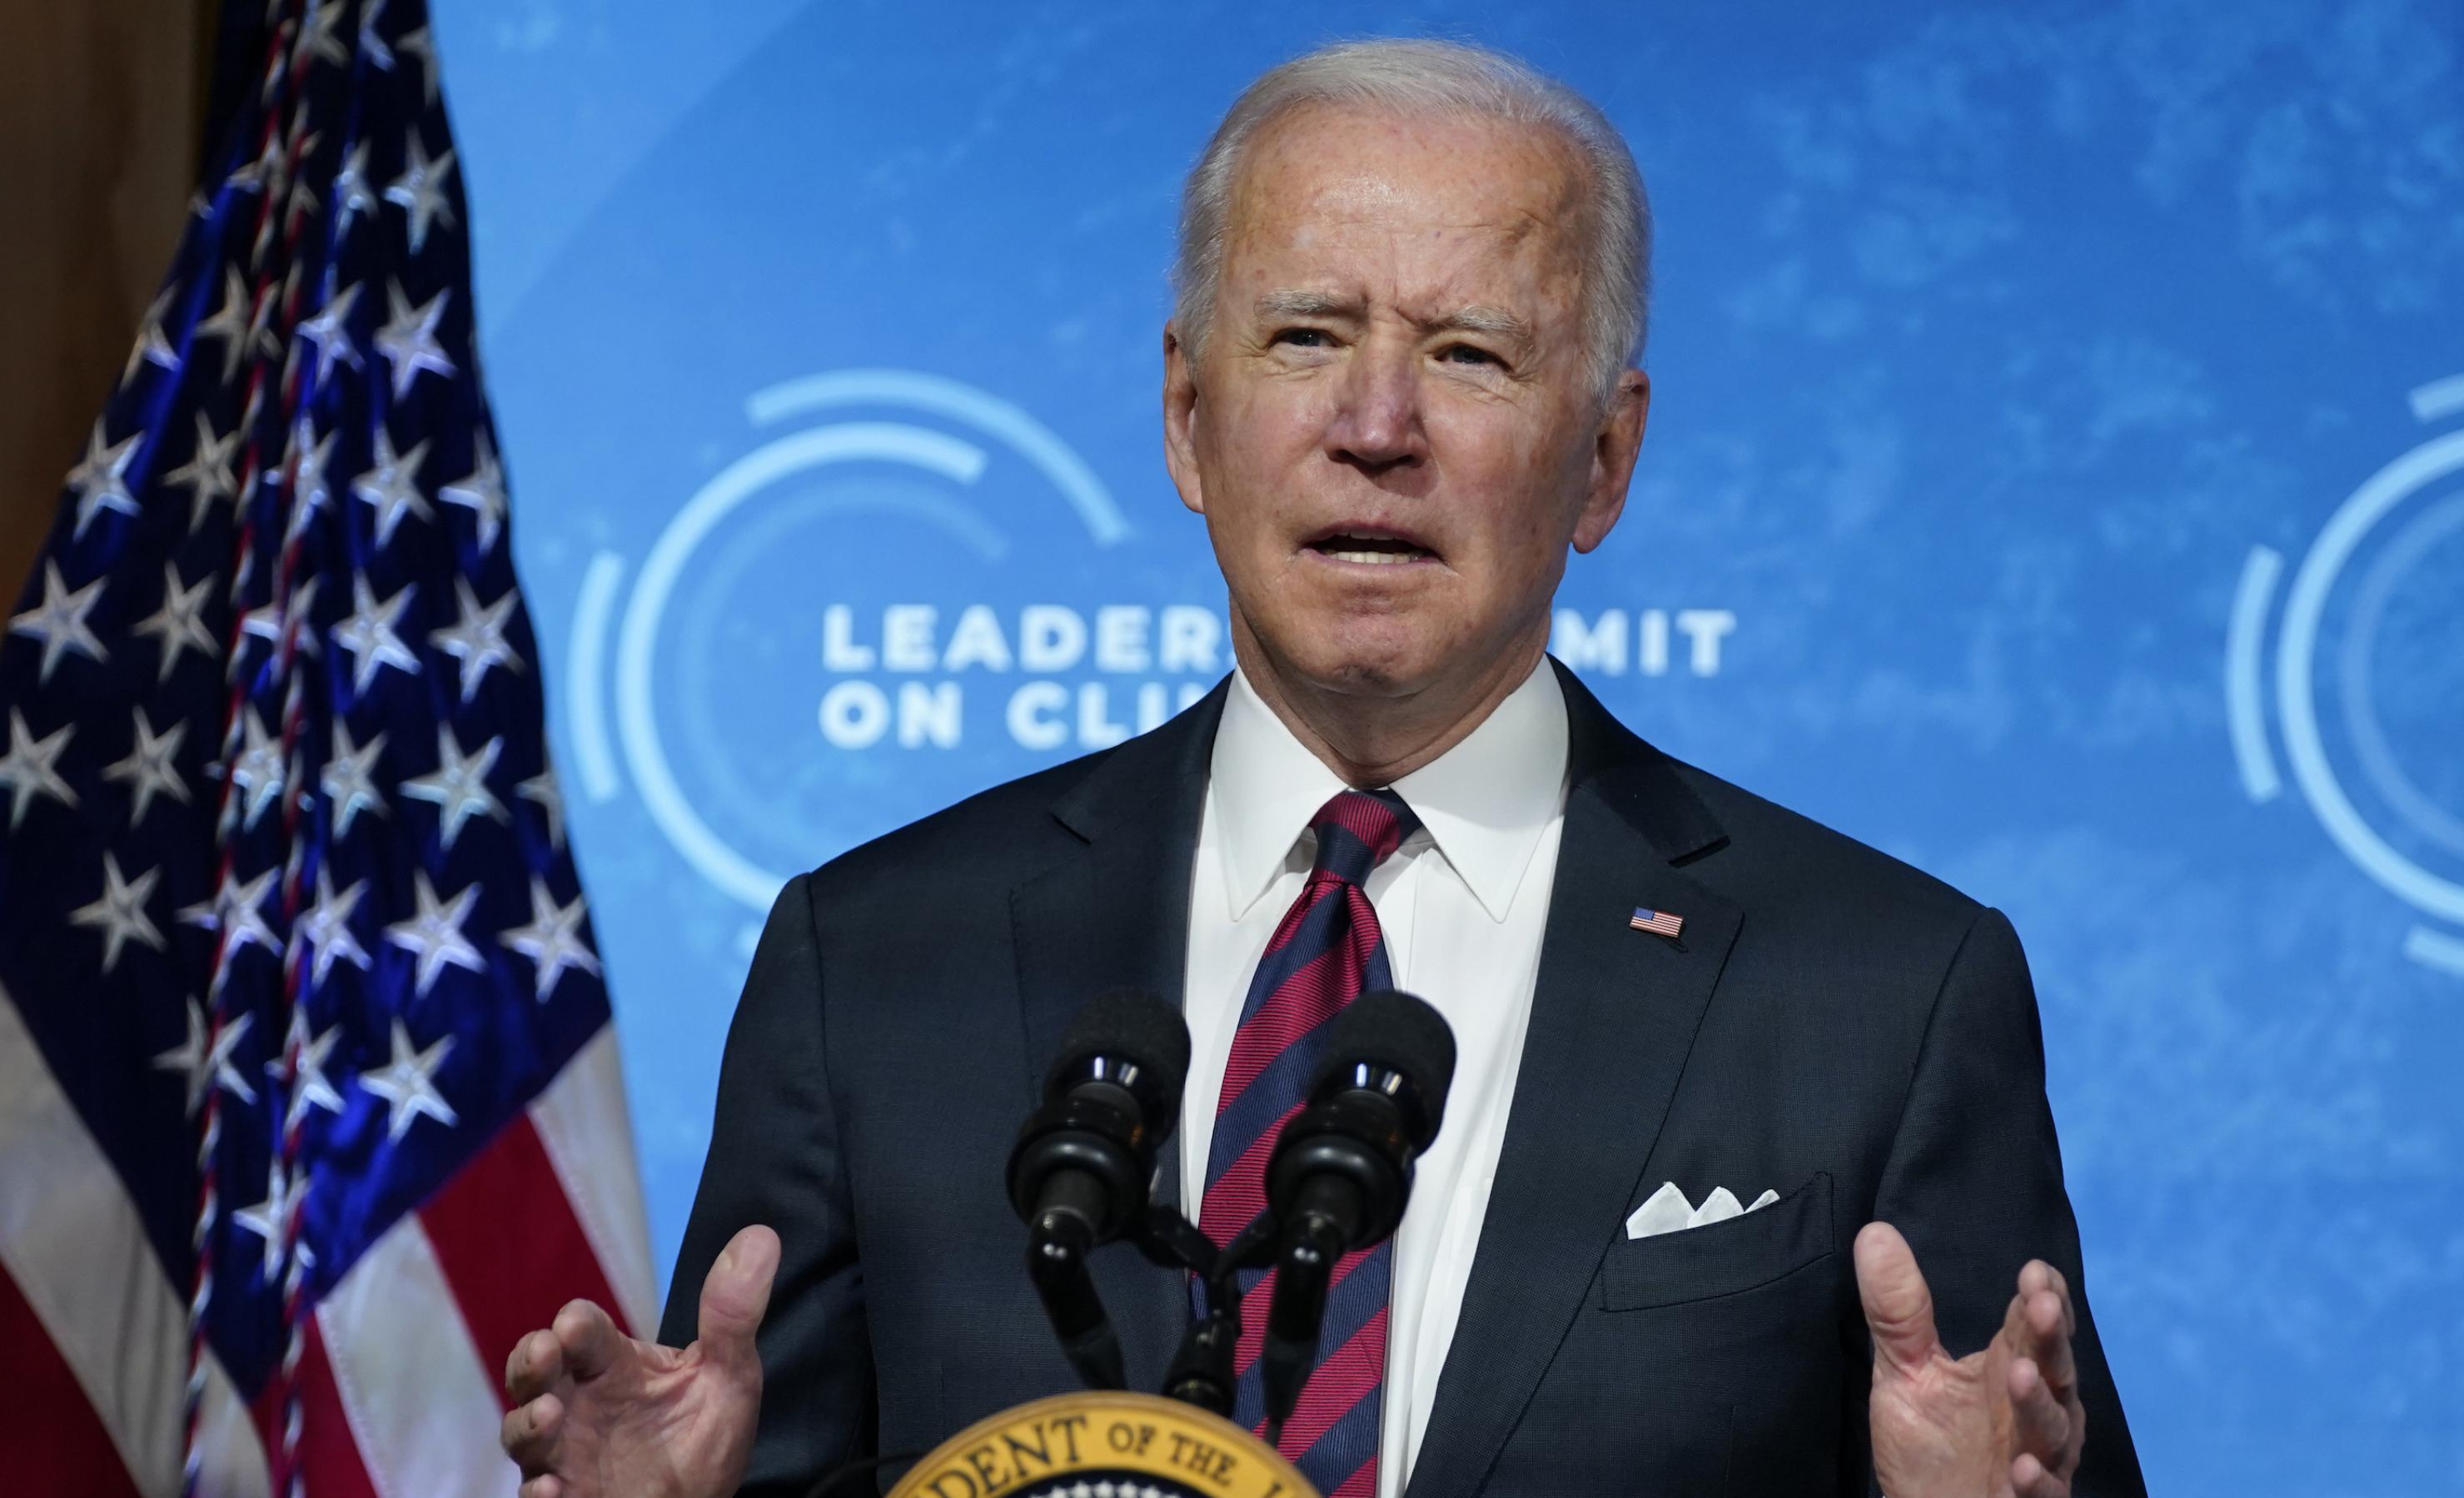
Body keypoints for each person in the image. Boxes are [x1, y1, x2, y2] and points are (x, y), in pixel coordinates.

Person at [501, 38, 2147, 1498]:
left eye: (1469, 354)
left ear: (1605, 458)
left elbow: (2010, 1453)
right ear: (1184, 416)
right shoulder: (874, 963)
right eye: (1303, 336)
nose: (1375, 424)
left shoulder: (1880, 990)